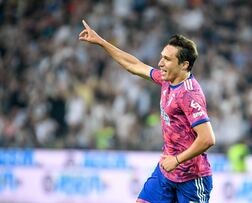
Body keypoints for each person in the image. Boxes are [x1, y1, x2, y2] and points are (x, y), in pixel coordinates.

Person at [79, 20, 216, 203]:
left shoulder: (189, 94)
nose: (160, 63)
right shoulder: (168, 79)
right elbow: (134, 65)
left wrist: (176, 160)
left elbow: (207, 139)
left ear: (184, 65)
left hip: (192, 177)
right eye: (162, 57)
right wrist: (101, 42)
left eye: (167, 59)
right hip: (166, 171)